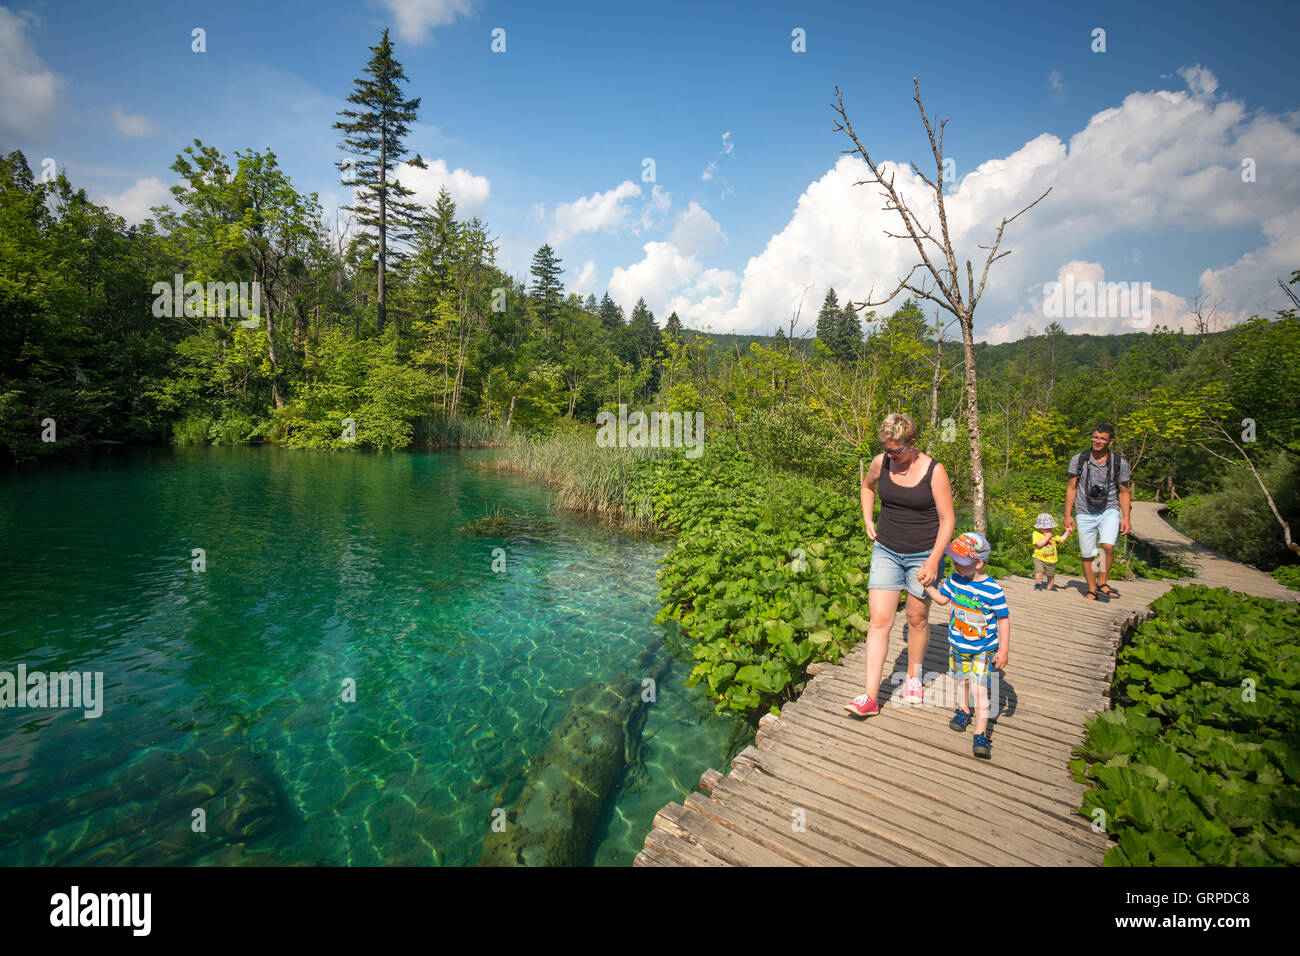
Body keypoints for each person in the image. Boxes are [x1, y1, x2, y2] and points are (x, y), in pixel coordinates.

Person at [846, 412, 955, 717]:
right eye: (888, 449)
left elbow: (948, 520)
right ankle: (869, 696)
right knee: (880, 621)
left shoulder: (934, 471)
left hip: (924, 554)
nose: (892, 455)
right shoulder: (882, 462)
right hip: (886, 551)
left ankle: (912, 678)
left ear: (913, 443)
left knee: (917, 618)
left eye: (897, 450)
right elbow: (867, 487)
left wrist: (934, 559)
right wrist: (868, 518)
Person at [921, 532, 1010, 760]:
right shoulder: (954, 580)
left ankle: (981, 733)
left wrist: (1004, 650)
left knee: (980, 689)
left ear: (979, 563)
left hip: (983, 648)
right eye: (954, 560)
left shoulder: (993, 590)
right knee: (962, 681)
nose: (955, 565)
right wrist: (927, 586)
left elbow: (1003, 619)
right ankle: (963, 710)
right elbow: (942, 600)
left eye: (961, 562)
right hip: (958, 645)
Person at [1063, 425, 1132, 600]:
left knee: (1107, 546)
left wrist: (1126, 518)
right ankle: (1092, 588)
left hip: (1109, 508)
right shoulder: (1079, 460)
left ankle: (1102, 582)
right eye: (1095, 437)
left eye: (1102, 438)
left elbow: (1124, 491)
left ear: (1110, 442)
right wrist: (1068, 515)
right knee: (1088, 554)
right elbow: (1071, 488)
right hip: (1084, 510)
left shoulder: (1118, 463)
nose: (1097, 441)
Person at [1032, 513, 1070, 591]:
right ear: (1040, 527)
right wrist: (1047, 537)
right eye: (1047, 528)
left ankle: (1050, 587)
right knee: (1039, 571)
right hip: (1039, 557)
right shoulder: (1036, 534)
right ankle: (1038, 584)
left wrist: (1067, 533)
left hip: (1051, 559)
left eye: (1050, 528)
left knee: (1050, 575)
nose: (1049, 530)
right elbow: (1039, 544)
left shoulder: (1053, 533)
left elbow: (1061, 540)